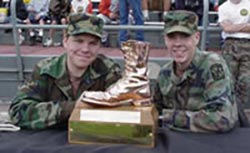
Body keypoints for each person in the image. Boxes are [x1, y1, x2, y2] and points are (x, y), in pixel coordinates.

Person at [8, 13, 122, 129]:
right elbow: (18, 112)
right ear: (65, 41)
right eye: (79, 41)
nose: (85, 49)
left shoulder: (108, 70)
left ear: (99, 46)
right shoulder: (46, 70)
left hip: (93, 138)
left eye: (92, 43)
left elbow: (125, 111)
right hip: (49, 140)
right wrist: (72, 108)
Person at [153, 10, 238, 133]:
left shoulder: (212, 65)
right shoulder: (165, 73)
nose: (177, 43)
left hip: (211, 142)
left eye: (184, 37)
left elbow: (223, 118)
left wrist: (168, 118)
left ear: (196, 38)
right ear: (165, 40)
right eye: (172, 37)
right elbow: (155, 110)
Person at [218, 0, 250, 108]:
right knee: (229, 80)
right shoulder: (223, 7)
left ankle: (242, 111)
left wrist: (234, 27)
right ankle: (228, 109)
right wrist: (245, 25)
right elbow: (226, 28)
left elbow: (230, 28)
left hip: (248, 45)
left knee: (246, 81)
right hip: (229, 45)